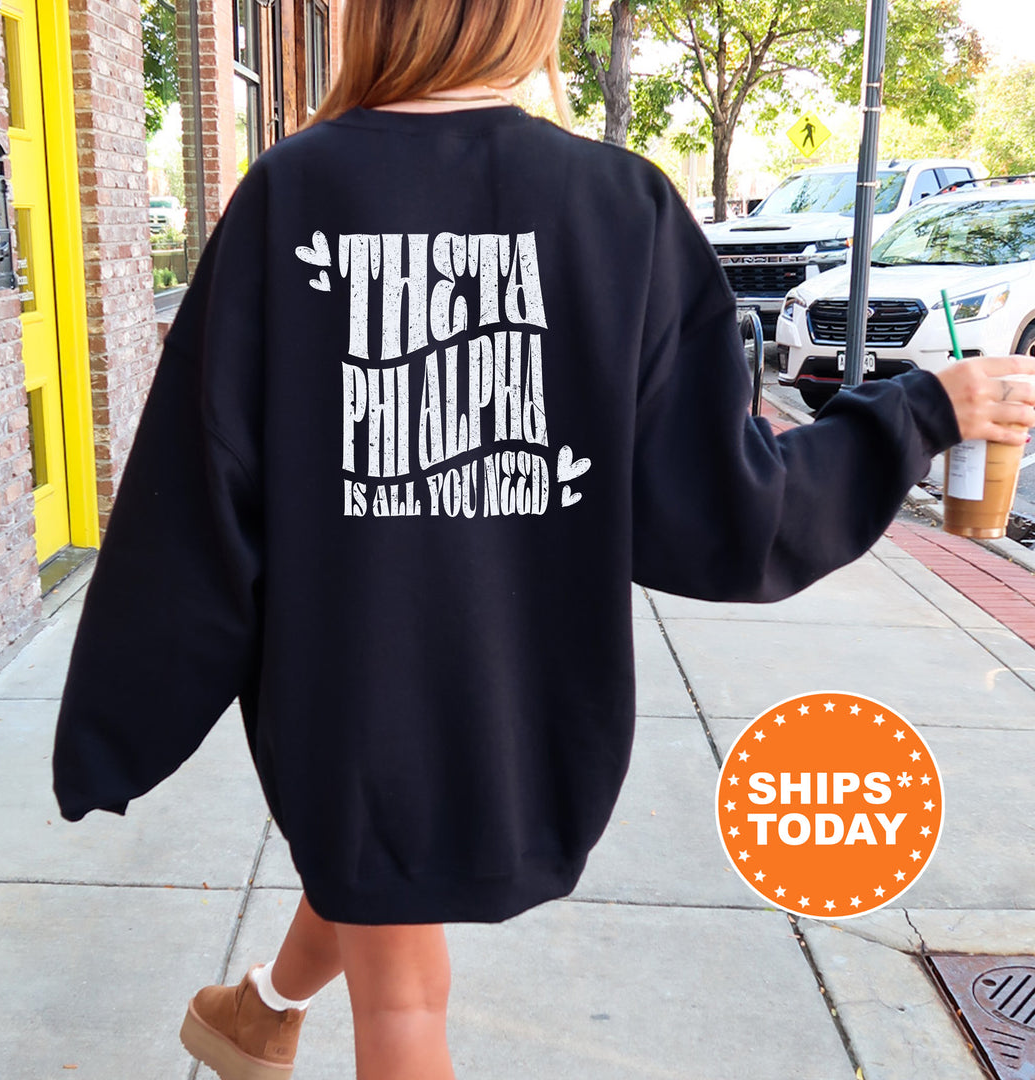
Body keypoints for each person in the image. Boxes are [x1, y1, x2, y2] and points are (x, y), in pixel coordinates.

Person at [51, 1, 1035, 1078]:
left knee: (383, 874)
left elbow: (198, 500)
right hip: (526, 698)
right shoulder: (623, 209)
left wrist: (124, 718)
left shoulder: (291, 193)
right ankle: (257, 1018)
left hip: (348, 693)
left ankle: (256, 1013)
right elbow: (728, 512)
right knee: (409, 990)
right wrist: (920, 410)